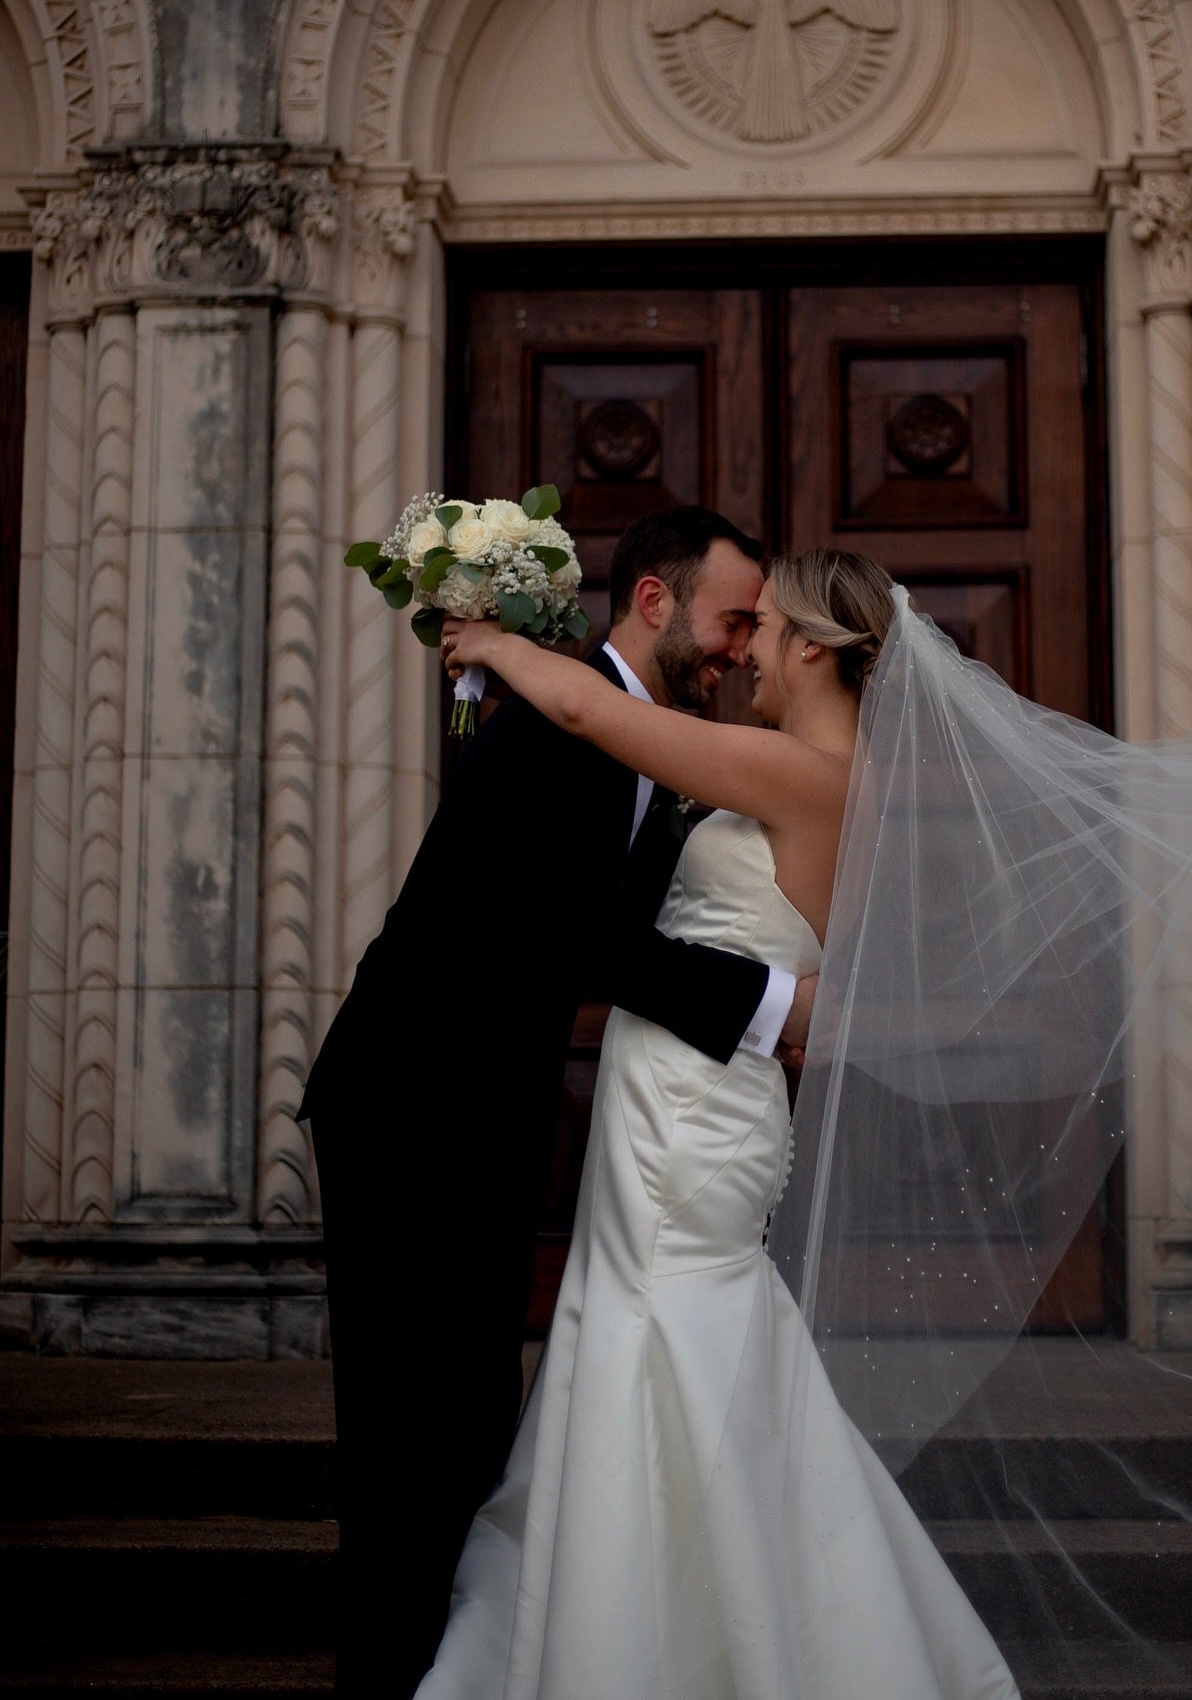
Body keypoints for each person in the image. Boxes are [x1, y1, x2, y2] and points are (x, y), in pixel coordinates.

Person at [420, 549, 1021, 1699]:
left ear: (810, 650)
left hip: (691, 1117)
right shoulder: (809, 773)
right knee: (673, 1346)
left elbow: (595, 708)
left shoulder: (802, 773)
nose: (743, 650)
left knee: (667, 1343)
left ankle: (654, 1647)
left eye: (765, 630)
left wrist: (490, 645)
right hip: (696, 1098)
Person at [301, 508, 817, 1698]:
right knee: (408, 1432)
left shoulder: (633, 728)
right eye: (733, 619)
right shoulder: (555, 716)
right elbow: (578, 936)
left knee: (471, 1417)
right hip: (410, 1107)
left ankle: (448, 1669)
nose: (742, 647)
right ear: (652, 600)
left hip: (480, 1113)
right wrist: (778, 1007)